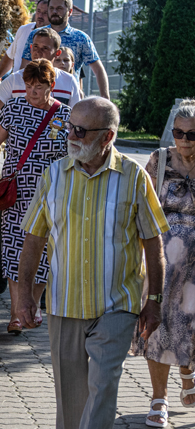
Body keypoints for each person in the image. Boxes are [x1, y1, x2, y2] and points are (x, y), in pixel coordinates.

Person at [16, 97, 168, 429]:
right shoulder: (54, 175)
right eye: (69, 127)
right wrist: (25, 295)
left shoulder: (134, 178)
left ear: (107, 137)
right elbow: (34, 238)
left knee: (102, 386)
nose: (71, 135)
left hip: (117, 304)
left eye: (81, 131)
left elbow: (153, 242)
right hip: (64, 302)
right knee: (70, 400)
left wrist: (153, 300)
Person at [0, 60, 71, 333]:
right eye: (28, 86)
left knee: (42, 254)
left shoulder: (65, 117)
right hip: (16, 194)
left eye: (38, 87)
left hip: (50, 197)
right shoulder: (14, 109)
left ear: (51, 86)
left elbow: (73, 158)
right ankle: (17, 313)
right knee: (14, 250)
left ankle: (33, 305)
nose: (32, 92)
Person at [129, 99, 195, 428]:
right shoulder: (160, 160)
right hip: (166, 266)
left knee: (190, 328)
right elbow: (141, 205)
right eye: (178, 132)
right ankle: (159, 398)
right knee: (163, 328)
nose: (183, 139)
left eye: (191, 134)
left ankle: (187, 370)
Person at [20, 0, 110, 99]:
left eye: (59, 8)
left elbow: (98, 69)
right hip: (39, 97)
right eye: (51, 8)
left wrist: (105, 99)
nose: (54, 11)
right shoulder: (36, 35)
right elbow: (25, 66)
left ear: (70, 12)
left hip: (70, 96)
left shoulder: (80, 38)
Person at [0, 28, 82, 116]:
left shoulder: (69, 81)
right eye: (35, 46)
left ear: (57, 53)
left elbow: (76, 117)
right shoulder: (14, 79)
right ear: (30, 48)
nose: (38, 52)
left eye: (45, 48)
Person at [0, 0, 50, 88]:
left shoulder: (54, 37)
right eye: (38, 11)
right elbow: (10, 55)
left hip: (40, 88)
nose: (40, 15)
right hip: (17, 86)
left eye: (45, 13)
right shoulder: (23, 30)